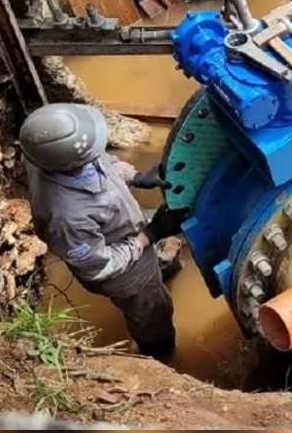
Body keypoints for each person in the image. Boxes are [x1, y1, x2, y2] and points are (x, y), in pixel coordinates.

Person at [19, 103, 176, 357]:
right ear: (70, 161)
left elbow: (101, 162)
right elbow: (100, 267)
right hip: (126, 276)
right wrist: (149, 235)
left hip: (124, 233)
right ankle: (160, 355)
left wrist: (135, 177)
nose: (97, 152)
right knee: (153, 314)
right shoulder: (65, 217)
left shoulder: (47, 152)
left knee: (155, 270)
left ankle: (158, 267)